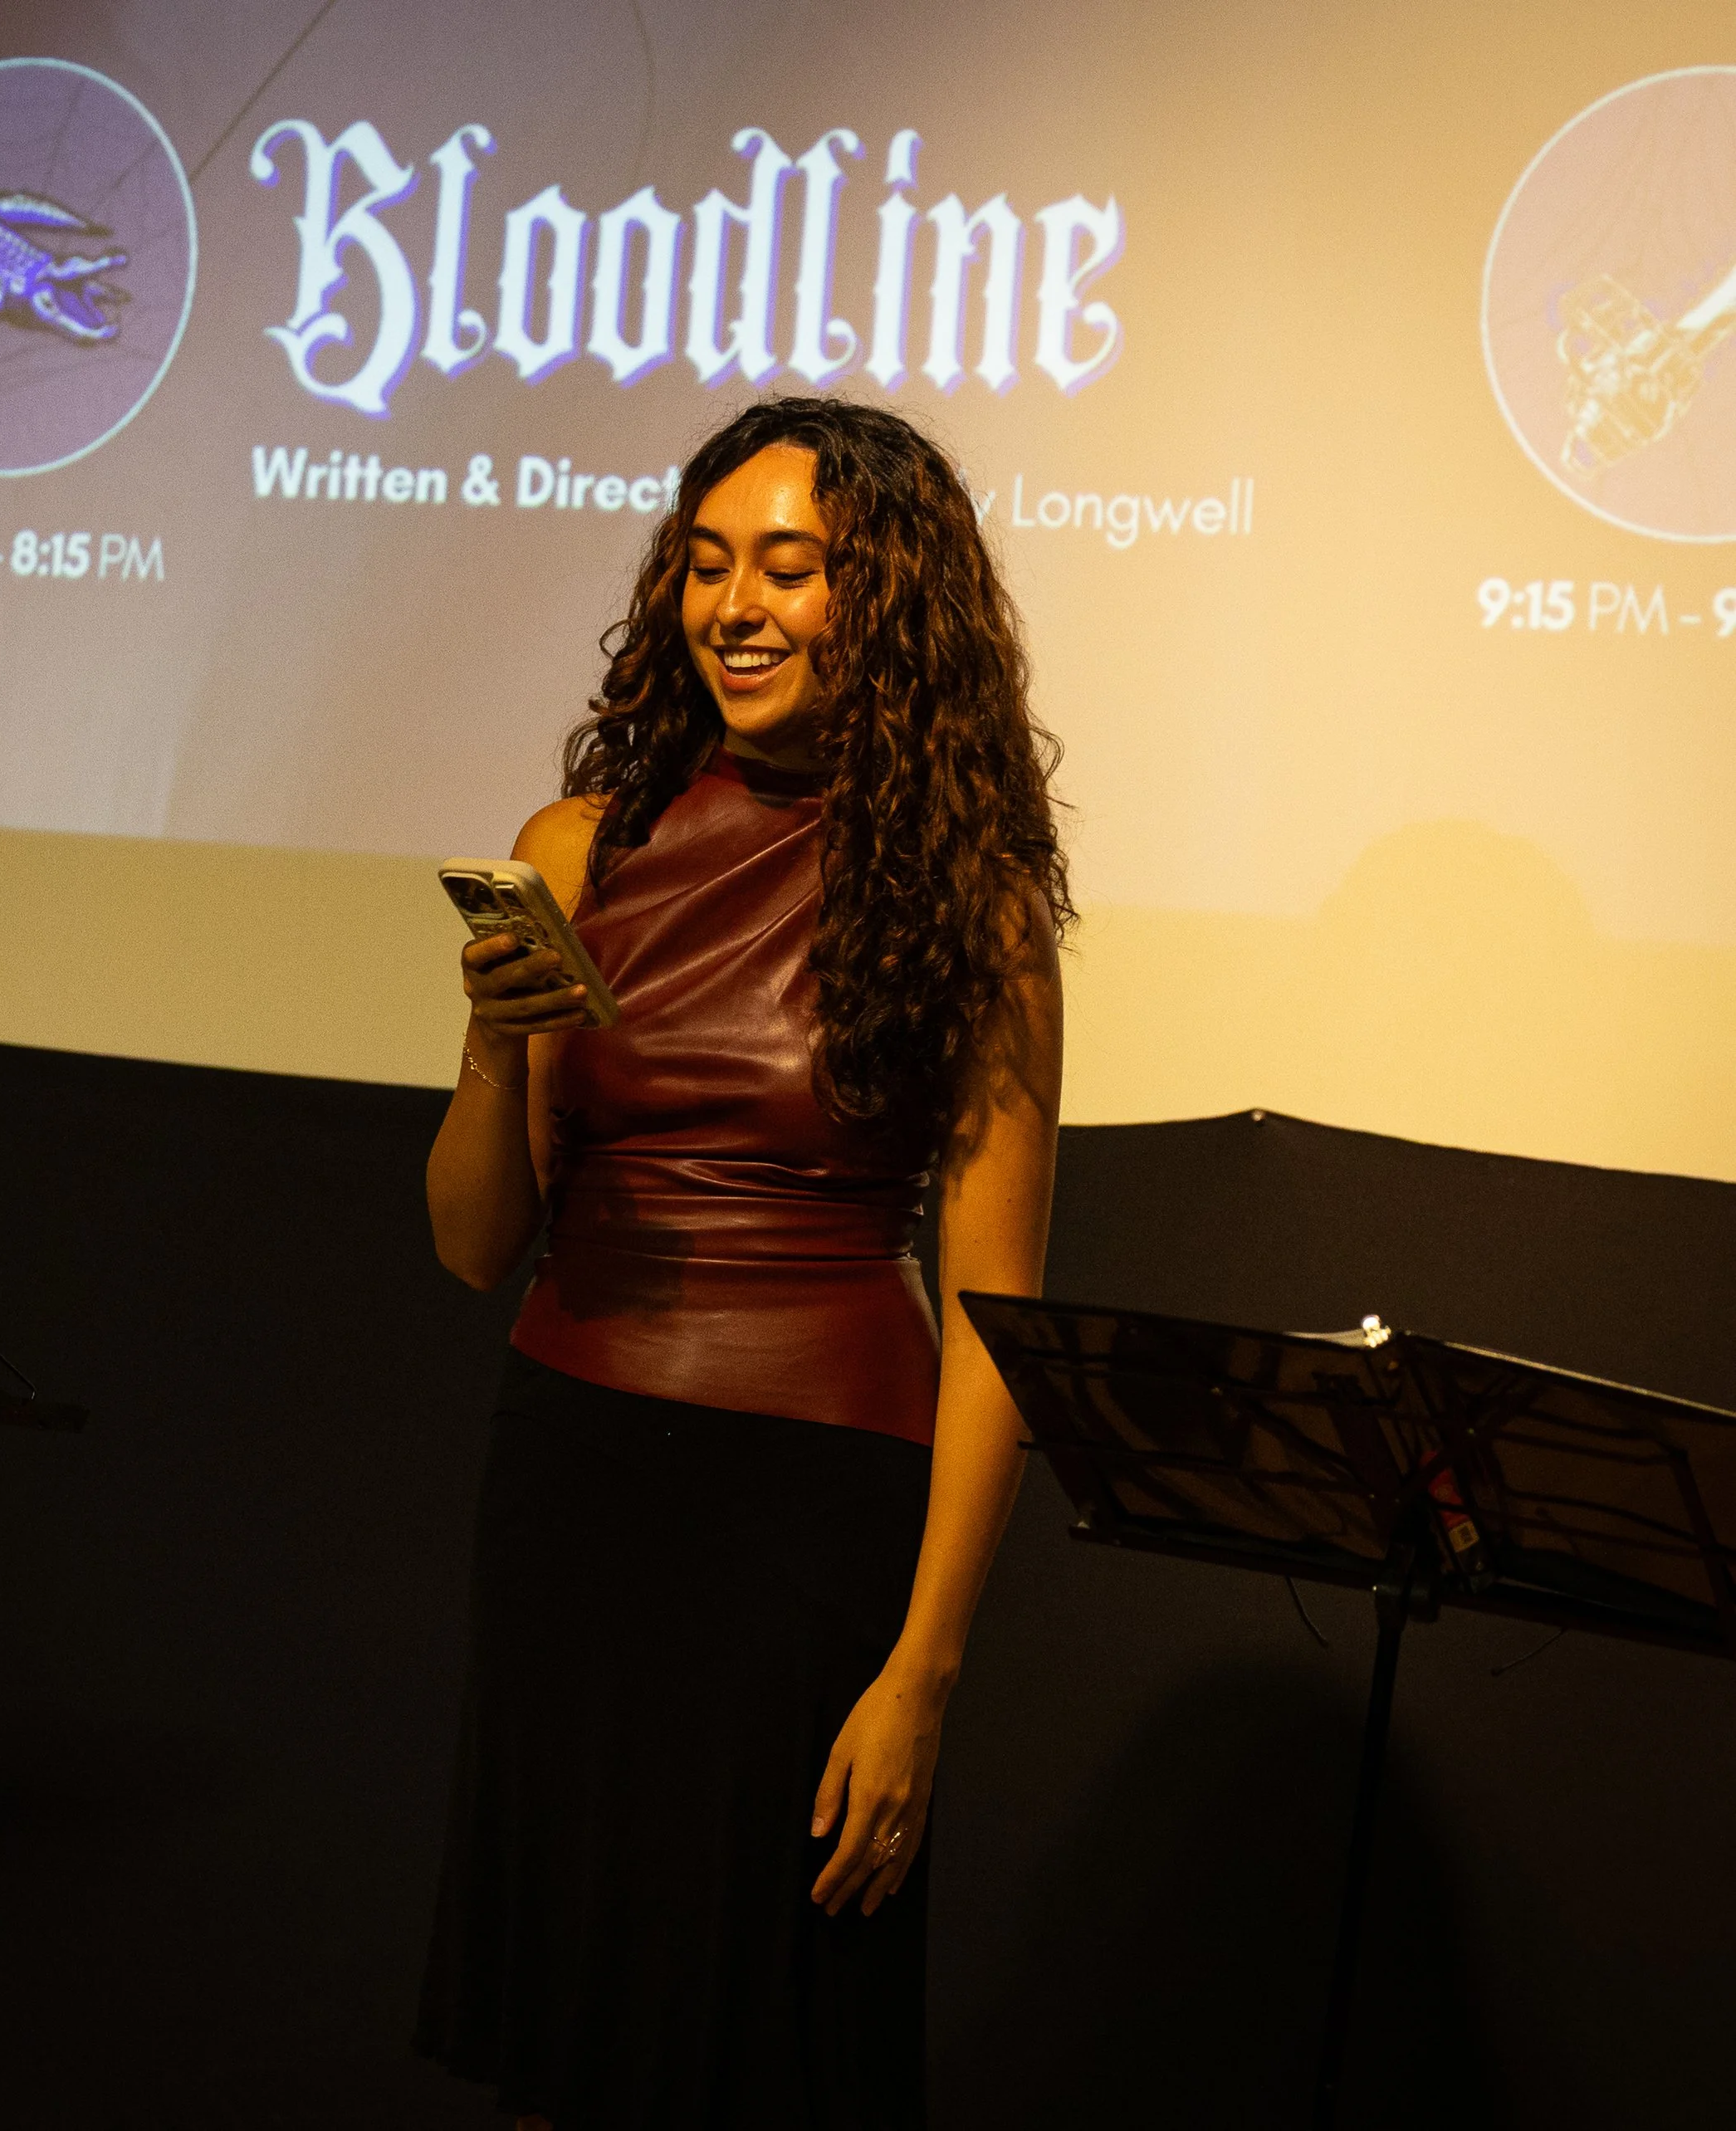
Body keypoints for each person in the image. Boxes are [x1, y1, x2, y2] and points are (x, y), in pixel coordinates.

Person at [415, 396, 1070, 2129]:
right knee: (574, 2032)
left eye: (788, 566)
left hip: (807, 1519)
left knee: (764, 2046)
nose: (735, 605)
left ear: (889, 601)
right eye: (705, 565)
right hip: (570, 1489)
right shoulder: (578, 846)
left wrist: (922, 1673)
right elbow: (473, 1244)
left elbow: (997, 1323)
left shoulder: (973, 900)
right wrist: (490, 1042)